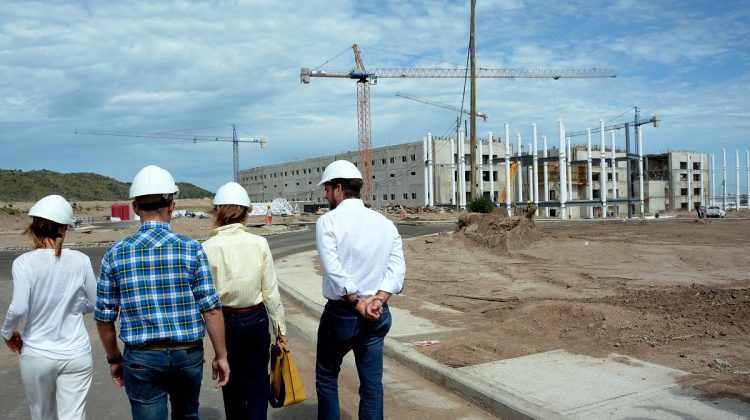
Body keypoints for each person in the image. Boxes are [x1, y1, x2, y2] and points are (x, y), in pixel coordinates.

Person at [94, 165, 229, 419]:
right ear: (172, 205)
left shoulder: (116, 253)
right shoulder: (191, 249)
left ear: (135, 207)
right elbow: (211, 310)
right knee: (187, 413)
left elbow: (104, 318)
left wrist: (114, 359)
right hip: (186, 354)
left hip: (142, 359)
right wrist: (221, 355)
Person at [314, 160, 405, 420]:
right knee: (372, 384)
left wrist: (357, 303)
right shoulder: (385, 223)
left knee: (328, 376)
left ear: (338, 188)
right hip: (377, 313)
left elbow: (334, 269)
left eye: (328, 189)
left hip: (344, 313)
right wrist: (378, 299)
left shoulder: (328, 221)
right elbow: (397, 269)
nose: (326, 194)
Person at [2, 195, 97, 420]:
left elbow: (18, 308)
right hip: (76, 353)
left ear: (33, 226)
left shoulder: (23, 263)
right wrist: (76, 307)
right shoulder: (81, 260)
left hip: (37, 353)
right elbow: (94, 302)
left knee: (42, 415)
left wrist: (7, 333)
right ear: (64, 228)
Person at [202, 181, 288, 419]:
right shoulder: (260, 243)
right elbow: (270, 291)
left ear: (217, 211)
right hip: (255, 320)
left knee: (230, 384)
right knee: (257, 384)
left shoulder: (207, 247)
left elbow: (203, 298)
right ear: (246, 212)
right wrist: (280, 329)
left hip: (222, 321)